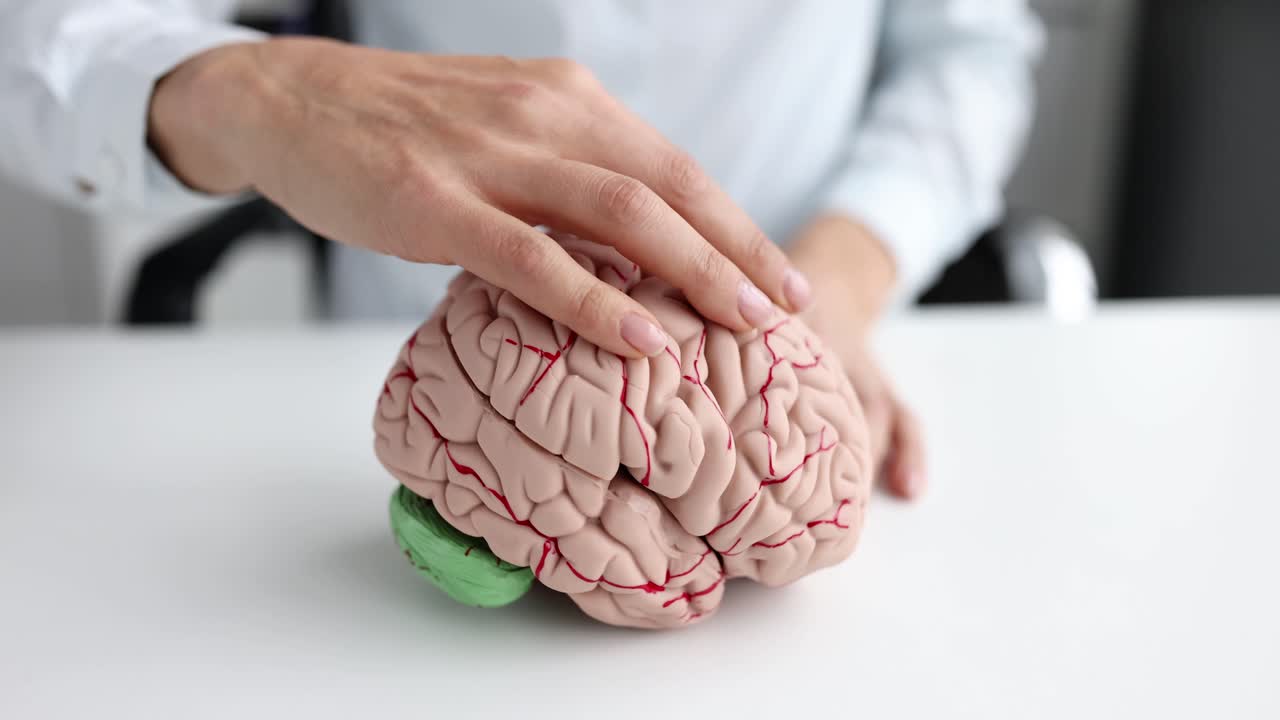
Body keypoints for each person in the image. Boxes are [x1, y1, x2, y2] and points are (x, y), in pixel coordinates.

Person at [0, 0, 1041, 500]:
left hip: (792, 369)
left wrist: (839, 282)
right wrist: (246, 91)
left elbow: (968, 54)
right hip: (413, 373)